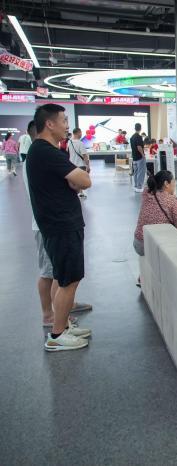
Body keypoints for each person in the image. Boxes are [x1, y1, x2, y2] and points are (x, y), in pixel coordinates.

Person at [26, 104, 92, 351]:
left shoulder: (43, 151)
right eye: (64, 120)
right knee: (69, 280)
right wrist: (77, 180)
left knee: (63, 277)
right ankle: (56, 336)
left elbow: (77, 182)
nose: (67, 125)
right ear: (50, 124)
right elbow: (84, 180)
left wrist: (75, 181)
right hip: (61, 225)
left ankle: (62, 325)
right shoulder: (46, 152)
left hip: (59, 223)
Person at [133, 170, 177, 257]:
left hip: (139, 243)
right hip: (152, 246)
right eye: (173, 182)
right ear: (166, 183)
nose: (174, 185)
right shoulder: (172, 201)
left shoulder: (147, 194)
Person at [67, 128, 90, 199]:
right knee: (80, 181)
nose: (81, 134)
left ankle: (76, 194)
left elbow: (67, 152)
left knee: (73, 181)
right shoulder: (80, 143)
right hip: (80, 165)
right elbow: (85, 156)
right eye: (81, 132)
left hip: (71, 164)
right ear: (78, 133)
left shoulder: (69, 142)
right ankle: (80, 193)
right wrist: (88, 165)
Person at [130, 123, 146, 193]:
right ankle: (139, 187)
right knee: (141, 172)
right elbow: (139, 147)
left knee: (136, 172)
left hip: (134, 157)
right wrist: (143, 155)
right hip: (139, 157)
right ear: (140, 128)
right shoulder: (139, 137)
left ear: (135, 128)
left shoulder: (132, 137)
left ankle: (136, 186)